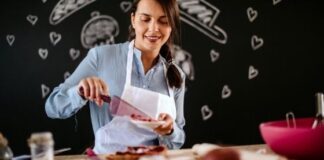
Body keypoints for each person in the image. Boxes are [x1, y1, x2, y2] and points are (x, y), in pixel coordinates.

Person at [45, 0, 186, 154]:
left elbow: (177, 141)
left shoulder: (176, 75)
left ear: (171, 26)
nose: (154, 28)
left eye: (163, 21)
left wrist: (170, 130)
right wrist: (79, 92)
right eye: (145, 19)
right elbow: (53, 107)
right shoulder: (101, 57)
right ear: (133, 20)